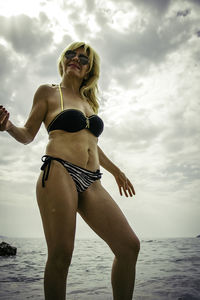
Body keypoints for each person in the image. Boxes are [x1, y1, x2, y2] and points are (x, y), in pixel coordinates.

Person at [0, 41, 140, 300]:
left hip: (92, 181)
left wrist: (116, 171)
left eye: (83, 58)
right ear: (63, 60)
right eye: (71, 54)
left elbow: (92, 145)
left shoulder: (89, 103)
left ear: (89, 70)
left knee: (129, 247)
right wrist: (8, 126)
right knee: (61, 254)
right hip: (59, 171)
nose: (76, 59)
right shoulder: (48, 92)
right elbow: (28, 134)